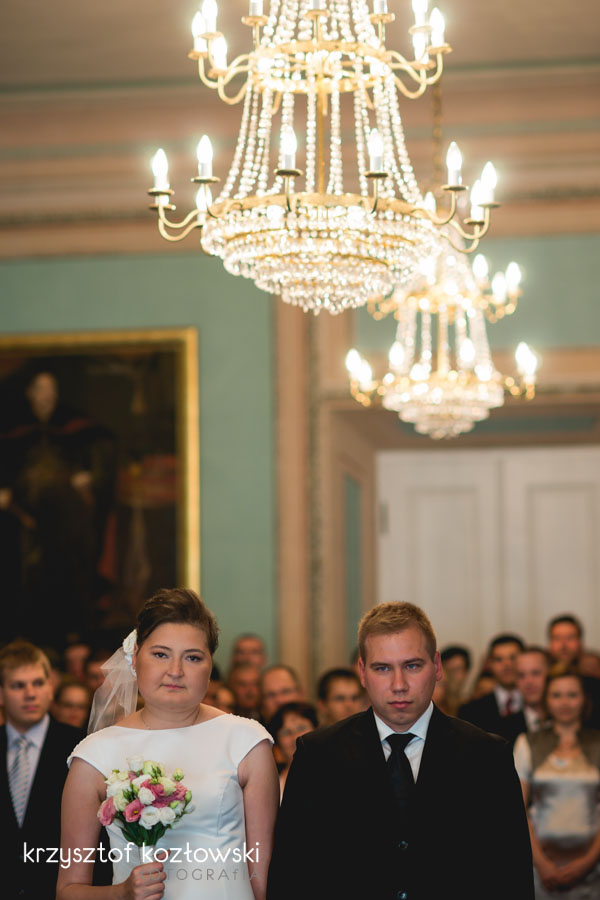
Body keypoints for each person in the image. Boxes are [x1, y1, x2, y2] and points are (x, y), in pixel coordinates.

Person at [267, 602, 534, 900]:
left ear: (437, 666)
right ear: (362, 672)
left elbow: (512, 876)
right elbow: (292, 873)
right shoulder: (317, 755)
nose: (399, 685)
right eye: (382, 668)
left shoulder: (488, 755)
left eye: (412, 666)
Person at [58, 588, 279, 900]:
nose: (175, 671)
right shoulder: (95, 755)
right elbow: (67, 890)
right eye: (161, 654)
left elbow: (262, 879)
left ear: (210, 666)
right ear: (135, 658)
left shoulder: (246, 742)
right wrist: (121, 893)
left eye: (192, 657)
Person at [1, 641, 83, 900]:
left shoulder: (80, 746)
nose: (30, 694)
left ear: (50, 688)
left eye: (38, 683)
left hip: (56, 891)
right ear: (1, 694)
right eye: (18, 685)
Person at [514, 666, 600, 898]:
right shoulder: (527, 743)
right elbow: (517, 807)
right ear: (546, 700)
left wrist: (588, 862)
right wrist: (541, 863)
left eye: (572, 695)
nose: (564, 703)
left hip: (593, 868)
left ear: (584, 699)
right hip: (541, 867)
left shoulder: (598, 743)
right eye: (556, 695)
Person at [459, 633, 526, 743]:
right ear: (490, 664)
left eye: (513, 658)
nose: (507, 664)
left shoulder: (539, 705)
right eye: (499, 659)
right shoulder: (470, 711)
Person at [547, 614, 600, 727]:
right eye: (557, 638)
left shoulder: (595, 685)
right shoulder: (542, 682)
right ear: (549, 644)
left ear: (581, 643)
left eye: (570, 637)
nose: (563, 645)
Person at [267, 702, 318, 798]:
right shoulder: (270, 785)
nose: (296, 737)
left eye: (301, 728)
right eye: (286, 733)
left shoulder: (336, 771)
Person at [511, 647, 550, 737]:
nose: (528, 682)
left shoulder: (569, 722)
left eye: (536, 673)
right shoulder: (502, 728)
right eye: (521, 675)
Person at [440, 644, 471, 715]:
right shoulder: (430, 706)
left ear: (466, 672)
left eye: (457, 669)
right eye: (447, 670)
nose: (452, 675)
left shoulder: (472, 707)